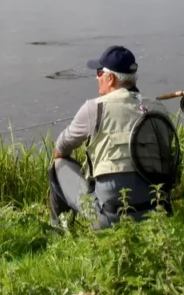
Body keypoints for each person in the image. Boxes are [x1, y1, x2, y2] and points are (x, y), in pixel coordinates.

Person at [48, 45, 171, 229]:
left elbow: (60, 149)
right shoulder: (158, 109)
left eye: (99, 72)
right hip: (157, 213)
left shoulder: (93, 108)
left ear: (110, 78)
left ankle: (58, 231)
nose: (97, 77)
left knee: (58, 165)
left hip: (107, 219)